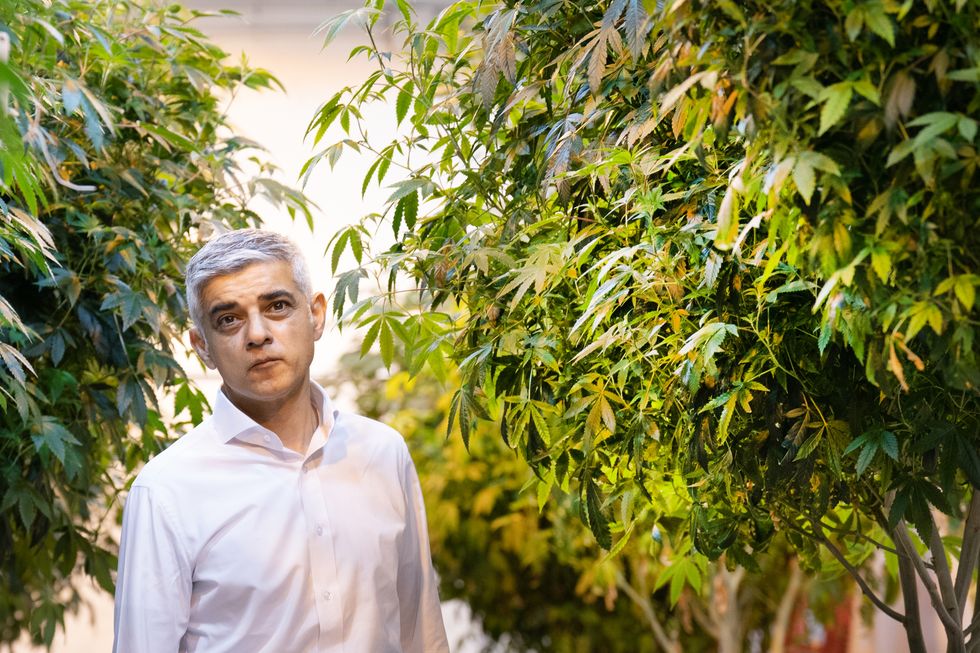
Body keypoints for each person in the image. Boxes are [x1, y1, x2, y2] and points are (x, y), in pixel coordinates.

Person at [112, 229, 450, 653]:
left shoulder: (383, 453)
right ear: (202, 346)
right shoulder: (166, 491)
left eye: (277, 306)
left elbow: (420, 632)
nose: (257, 334)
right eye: (228, 319)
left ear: (316, 315)